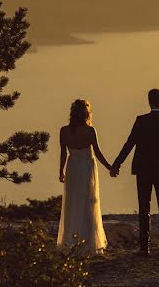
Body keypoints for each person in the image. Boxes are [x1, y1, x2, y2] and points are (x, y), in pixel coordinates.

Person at [111, 88, 159, 256]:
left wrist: (116, 164)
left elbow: (129, 143)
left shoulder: (141, 121)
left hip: (143, 170)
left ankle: (144, 247)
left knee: (144, 207)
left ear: (149, 101)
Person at [57, 98, 113, 254]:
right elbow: (98, 153)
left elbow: (63, 153)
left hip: (72, 168)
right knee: (87, 202)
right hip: (86, 169)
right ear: (87, 113)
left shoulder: (64, 131)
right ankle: (88, 242)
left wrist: (60, 171)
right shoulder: (90, 131)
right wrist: (110, 167)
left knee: (72, 203)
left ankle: (70, 240)